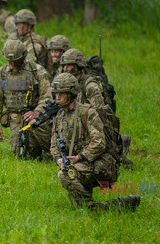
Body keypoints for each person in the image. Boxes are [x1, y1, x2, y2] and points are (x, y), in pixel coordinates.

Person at [50, 73, 141, 211]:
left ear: (71, 93)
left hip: (96, 163)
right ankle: (116, 205)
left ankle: (94, 208)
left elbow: (98, 142)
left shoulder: (87, 113)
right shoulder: (59, 116)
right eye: (56, 94)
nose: (58, 97)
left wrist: (79, 157)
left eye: (62, 93)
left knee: (65, 175)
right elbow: (53, 144)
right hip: (76, 163)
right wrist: (58, 159)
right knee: (73, 190)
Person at [60, 48, 133, 167]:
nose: (66, 69)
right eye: (64, 65)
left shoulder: (90, 85)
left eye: (70, 65)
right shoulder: (66, 84)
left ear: (79, 65)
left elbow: (100, 112)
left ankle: (120, 145)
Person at [0, 39, 52, 159]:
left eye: (16, 61)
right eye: (10, 61)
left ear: (24, 56)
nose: (13, 64)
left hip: (36, 116)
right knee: (20, 153)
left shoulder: (37, 71)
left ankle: (48, 149)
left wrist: (37, 112)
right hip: (16, 118)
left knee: (39, 146)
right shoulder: (1, 73)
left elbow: (47, 96)